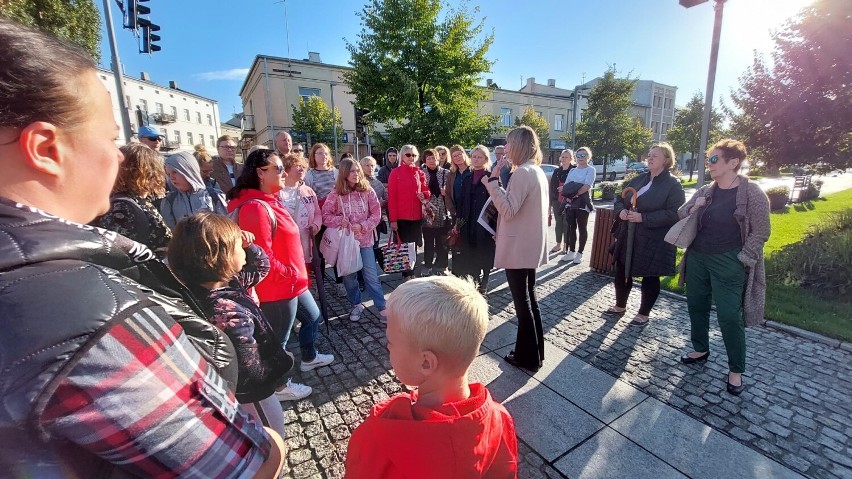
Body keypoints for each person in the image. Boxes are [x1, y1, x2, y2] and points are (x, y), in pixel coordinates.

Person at [0, 17, 284, 477]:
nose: (119, 156)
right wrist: (271, 439)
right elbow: (241, 463)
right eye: (111, 138)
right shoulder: (78, 312)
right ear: (46, 148)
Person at [344, 276, 519, 478]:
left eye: (391, 340)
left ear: (426, 363)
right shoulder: (500, 418)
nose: (388, 346)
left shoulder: (376, 437)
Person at [168, 212, 295, 438]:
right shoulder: (227, 313)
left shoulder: (219, 283)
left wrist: (251, 246)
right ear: (220, 256)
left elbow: (260, 268)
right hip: (253, 396)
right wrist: (280, 363)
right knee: (272, 438)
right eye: (239, 245)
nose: (244, 250)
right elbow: (250, 372)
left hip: (249, 392)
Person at [228, 149, 335, 401]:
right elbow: (261, 255)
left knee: (313, 317)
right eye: (277, 168)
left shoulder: (268, 201)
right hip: (278, 287)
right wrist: (288, 273)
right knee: (278, 340)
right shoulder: (255, 207)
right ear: (260, 173)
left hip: (293, 282)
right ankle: (278, 386)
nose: (284, 173)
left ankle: (308, 357)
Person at [678, 139, 770, 396]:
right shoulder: (707, 189)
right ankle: (700, 348)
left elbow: (762, 231)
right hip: (697, 257)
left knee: (729, 315)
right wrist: (693, 206)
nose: (709, 164)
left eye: (714, 159)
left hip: (729, 260)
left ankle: (736, 369)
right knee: (696, 304)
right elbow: (681, 213)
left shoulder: (752, 192)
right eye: (708, 159)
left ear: (733, 162)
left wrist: (743, 257)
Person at [483, 126, 548, 373]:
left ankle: (528, 358)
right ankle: (533, 353)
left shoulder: (523, 173)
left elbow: (508, 209)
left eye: (509, 143)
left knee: (523, 304)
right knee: (530, 300)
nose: (506, 148)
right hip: (527, 245)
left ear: (520, 145)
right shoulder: (536, 171)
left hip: (519, 247)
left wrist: (492, 182)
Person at [607, 142, 685, 326]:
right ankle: (620, 305)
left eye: (655, 155)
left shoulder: (673, 184)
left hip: (653, 239)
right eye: (649, 155)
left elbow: (674, 213)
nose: (649, 158)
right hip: (628, 235)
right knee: (622, 269)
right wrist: (621, 212)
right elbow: (620, 198)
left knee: (650, 275)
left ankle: (643, 313)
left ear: (666, 160)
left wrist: (644, 218)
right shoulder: (639, 179)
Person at [321, 157, 387, 322]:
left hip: (365, 241)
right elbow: (325, 215)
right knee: (349, 279)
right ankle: (356, 304)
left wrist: (364, 225)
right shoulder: (335, 193)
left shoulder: (368, 190)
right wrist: (339, 221)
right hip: (346, 244)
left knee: (371, 275)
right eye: (352, 171)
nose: (356, 174)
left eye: (357, 170)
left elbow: (376, 214)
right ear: (344, 172)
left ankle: (382, 307)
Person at [92, 143, 172, 256]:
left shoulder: (136, 200)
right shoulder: (123, 208)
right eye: (157, 169)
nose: (161, 175)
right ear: (144, 173)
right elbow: (121, 254)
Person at [457, 145, 496, 295]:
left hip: (484, 222)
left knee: (484, 251)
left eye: (480, 157)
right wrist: (458, 222)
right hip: (468, 221)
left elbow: (496, 201)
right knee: (470, 250)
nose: (476, 159)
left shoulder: (491, 176)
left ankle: (485, 280)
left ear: (485, 159)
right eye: (474, 156)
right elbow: (461, 201)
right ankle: (475, 280)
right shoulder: (467, 177)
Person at [388, 144, 431, 279]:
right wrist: (393, 220)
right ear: (402, 156)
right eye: (408, 155)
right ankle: (407, 274)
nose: (411, 157)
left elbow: (426, 191)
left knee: (414, 245)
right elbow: (392, 198)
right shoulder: (395, 173)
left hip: (416, 216)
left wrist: (424, 195)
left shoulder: (419, 172)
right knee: (404, 246)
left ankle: (411, 270)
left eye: (413, 155)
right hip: (402, 217)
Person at [305, 143, 342, 293]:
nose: (323, 156)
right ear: (313, 156)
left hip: (334, 217)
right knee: (319, 251)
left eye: (325, 153)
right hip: (318, 217)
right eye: (319, 153)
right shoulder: (309, 174)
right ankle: (321, 283)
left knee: (335, 249)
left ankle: (340, 282)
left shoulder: (335, 172)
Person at [161, 151, 227, 229]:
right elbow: (171, 232)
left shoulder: (214, 196)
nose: (172, 177)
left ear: (188, 171)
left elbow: (226, 226)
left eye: (175, 172)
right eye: (168, 174)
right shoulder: (169, 201)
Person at [280, 153, 322, 264]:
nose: (302, 169)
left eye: (303, 167)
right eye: (298, 165)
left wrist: (316, 225)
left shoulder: (308, 191)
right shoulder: (277, 192)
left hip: (305, 244)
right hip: (286, 245)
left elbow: (318, 213)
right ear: (287, 168)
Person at [559, 146, 596, 264]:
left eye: (583, 155)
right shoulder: (573, 170)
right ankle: (571, 251)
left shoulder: (591, 170)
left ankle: (580, 253)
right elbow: (567, 186)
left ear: (588, 157)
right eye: (578, 155)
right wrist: (570, 195)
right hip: (570, 203)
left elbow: (586, 186)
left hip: (582, 203)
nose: (580, 158)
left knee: (582, 227)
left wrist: (574, 194)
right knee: (571, 228)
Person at [420, 148, 450, 276]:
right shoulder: (421, 173)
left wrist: (446, 192)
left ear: (438, 158)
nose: (431, 161)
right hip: (427, 209)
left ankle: (442, 265)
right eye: (428, 158)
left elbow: (452, 192)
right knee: (428, 240)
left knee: (442, 240)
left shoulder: (446, 173)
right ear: (424, 161)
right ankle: (427, 264)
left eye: (433, 158)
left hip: (442, 209)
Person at [548, 149, 575, 254]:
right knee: (558, 222)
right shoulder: (557, 171)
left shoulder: (574, 170)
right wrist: (550, 201)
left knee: (567, 222)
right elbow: (552, 186)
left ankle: (565, 245)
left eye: (566, 157)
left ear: (571, 158)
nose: (564, 159)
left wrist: (565, 188)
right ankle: (558, 243)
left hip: (569, 199)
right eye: (562, 157)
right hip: (556, 200)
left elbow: (575, 184)